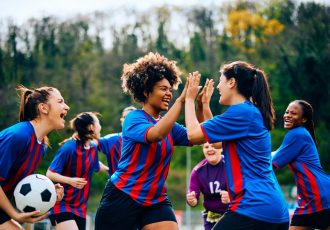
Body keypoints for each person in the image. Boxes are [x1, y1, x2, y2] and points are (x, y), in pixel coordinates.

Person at [184, 61, 289, 230]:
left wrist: (188, 99)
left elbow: (193, 135)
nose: (218, 86)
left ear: (232, 82)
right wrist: (203, 105)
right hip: (271, 209)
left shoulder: (241, 112)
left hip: (254, 206)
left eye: (221, 81)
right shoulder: (248, 112)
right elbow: (216, 142)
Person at [95, 52, 191, 230]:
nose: (169, 93)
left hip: (156, 200)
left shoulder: (169, 125)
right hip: (122, 197)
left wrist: (200, 104)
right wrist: (181, 102)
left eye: (170, 89)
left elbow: (197, 135)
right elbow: (156, 135)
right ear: (146, 91)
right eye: (163, 89)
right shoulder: (134, 118)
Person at [0, 85, 69, 230]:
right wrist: (14, 214)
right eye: (60, 101)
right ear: (43, 108)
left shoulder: (41, 145)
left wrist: (48, 189)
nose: (66, 107)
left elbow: (18, 186)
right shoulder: (18, 136)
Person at [272, 100, 330, 230]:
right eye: (287, 112)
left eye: (293, 113)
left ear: (303, 119)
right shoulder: (298, 135)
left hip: (321, 197)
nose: (287, 115)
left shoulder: (297, 134)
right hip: (307, 201)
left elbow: (270, 165)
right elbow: (274, 154)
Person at [46, 112, 109, 230]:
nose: (100, 127)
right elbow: (50, 173)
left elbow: (95, 165)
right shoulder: (69, 148)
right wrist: (70, 181)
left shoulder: (93, 147)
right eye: (98, 123)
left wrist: (108, 170)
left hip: (80, 208)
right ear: (91, 127)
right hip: (62, 205)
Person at [186, 142, 230, 230]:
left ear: (221, 148)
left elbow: (243, 190)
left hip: (232, 213)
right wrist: (192, 200)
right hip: (212, 217)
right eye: (206, 147)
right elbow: (193, 196)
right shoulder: (197, 171)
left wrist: (231, 196)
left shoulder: (231, 165)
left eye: (213, 146)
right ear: (203, 150)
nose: (210, 149)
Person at [97, 106, 136, 176]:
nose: (128, 120)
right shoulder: (111, 140)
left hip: (140, 185)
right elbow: (86, 147)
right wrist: (105, 169)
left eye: (132, 118)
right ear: (121, 120)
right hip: (116, 185)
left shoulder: (146, 141)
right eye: (126, 117)